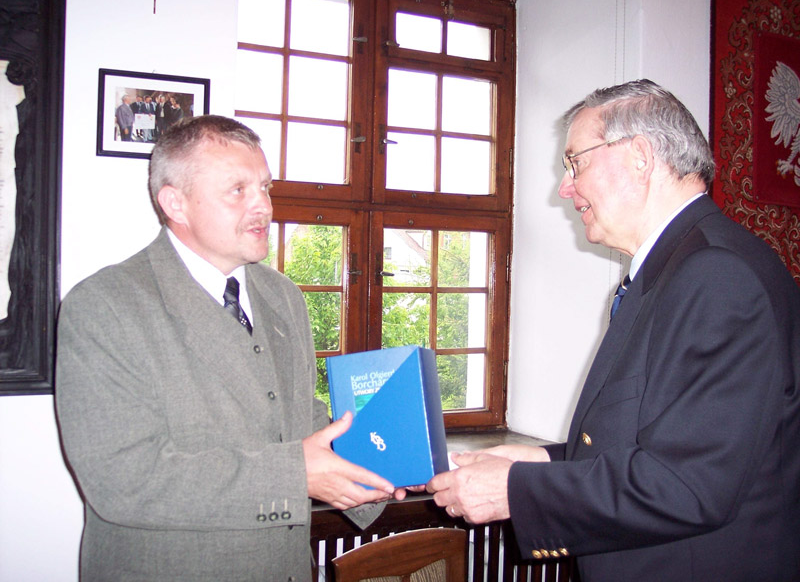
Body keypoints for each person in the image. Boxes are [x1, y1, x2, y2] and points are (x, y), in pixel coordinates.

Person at [427, 79, 800, 581]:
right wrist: (541, 461)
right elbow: (649, 443)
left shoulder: (715, 274)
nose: (564, 188)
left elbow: (689, 485)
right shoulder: (677, 268)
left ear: (640, 156)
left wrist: (514, 491)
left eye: (575, 163)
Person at [56, 115, 405, 581]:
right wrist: (294, 476)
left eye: (265, 187)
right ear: (175, 203)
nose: (263, 205)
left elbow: (302, 419)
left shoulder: (283, 296)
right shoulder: (105, 306)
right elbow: (122, 480)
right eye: (237, 190)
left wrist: (392, 461)